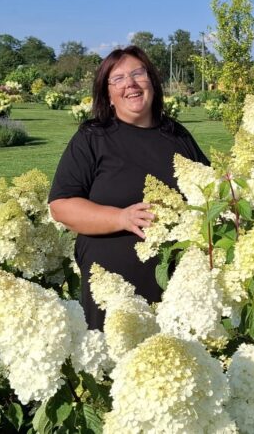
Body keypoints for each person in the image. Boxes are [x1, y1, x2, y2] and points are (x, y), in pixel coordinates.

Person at [47, 46, 209, 329]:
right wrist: (121, 218)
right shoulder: (92, 138)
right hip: (113, 287)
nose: (130, 84)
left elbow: (210, 187)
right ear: (107, 94)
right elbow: (61, 205)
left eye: (137, 74)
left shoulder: (176, 134)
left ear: (152, 83)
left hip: (178, 285)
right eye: (118, 78)